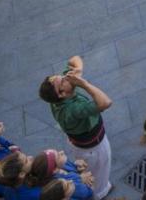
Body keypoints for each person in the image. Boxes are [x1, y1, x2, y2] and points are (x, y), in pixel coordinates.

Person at [40, 55, 115, 199]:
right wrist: (83, 84)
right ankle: (100, 193)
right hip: (93, 147)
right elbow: (105, 102)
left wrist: (78, 70)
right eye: (63, 80)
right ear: (61, 93)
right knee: (99, 171)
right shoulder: (72, 109)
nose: (66, 77)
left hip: (81, 142)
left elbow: (75, 59)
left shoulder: (58, 92)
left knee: (95, 169)